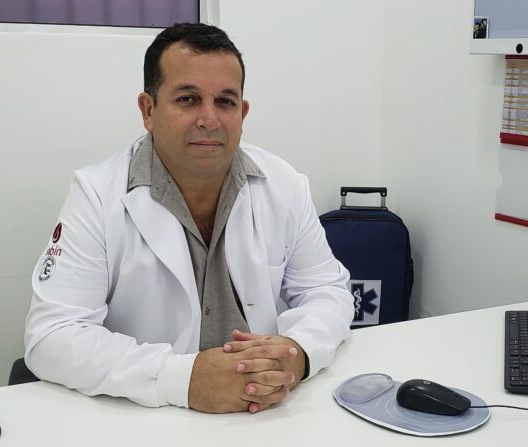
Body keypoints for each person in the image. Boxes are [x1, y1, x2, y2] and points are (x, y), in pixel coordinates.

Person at [24, 23, 353, 414]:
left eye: (226, 101)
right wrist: (183, 379)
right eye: (188, 99)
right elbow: (51, 336)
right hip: (148, 416)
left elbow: (327, 291)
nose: (209, 119)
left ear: (243, 113)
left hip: (265, 413)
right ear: (148, 110)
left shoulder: (284, 185)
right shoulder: (97, 195)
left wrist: (298, 352)